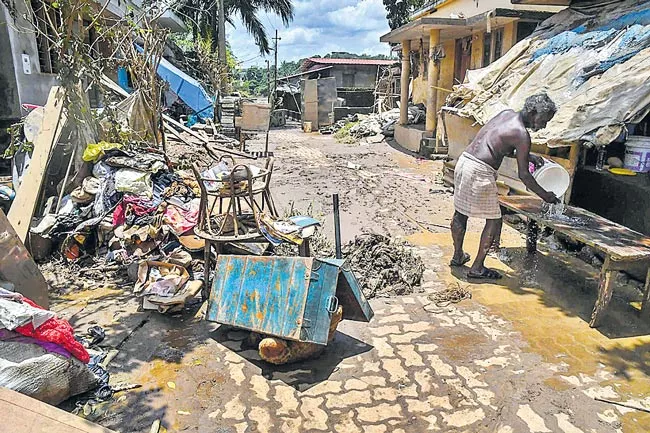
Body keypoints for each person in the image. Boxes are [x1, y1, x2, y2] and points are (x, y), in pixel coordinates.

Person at [451, 93, 560, 280]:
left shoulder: (506, 114)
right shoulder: (522, 135)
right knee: (494, 219)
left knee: (461, 213)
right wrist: (546, 196)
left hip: (465, 161)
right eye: (544, 120)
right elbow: (524, 175)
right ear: (533, 112)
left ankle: (458, 255)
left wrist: (528, 155)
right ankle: (477, 268)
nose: (544, 126)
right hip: (480, 171)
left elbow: (499, 145)